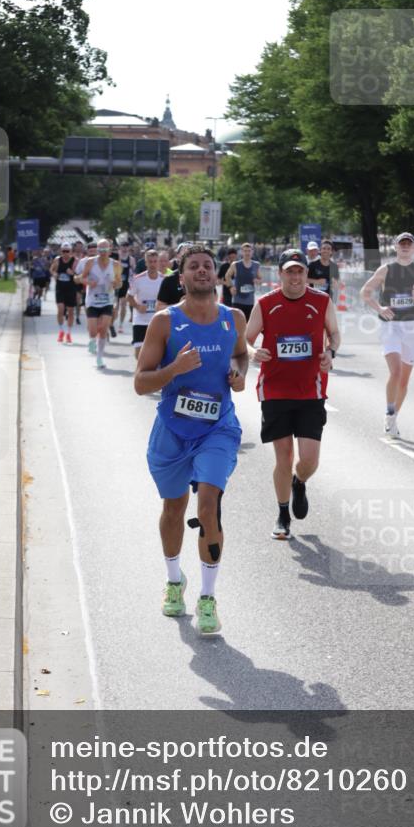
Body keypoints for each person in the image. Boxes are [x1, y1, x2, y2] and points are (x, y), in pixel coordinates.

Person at [134, 244, 248, 635]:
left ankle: (208, 597)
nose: (201, 271)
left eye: (207, 266)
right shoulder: (165, 323)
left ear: (216, 275)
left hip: (217, 427)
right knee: (173, 509)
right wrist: (175, 368)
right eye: (193, 266)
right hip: (173, 429)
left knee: (209, 504)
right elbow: (140, 382)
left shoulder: (234, 318)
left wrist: (239, 373)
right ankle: (173, 580)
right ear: (180, 277)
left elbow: (240, 356)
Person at [246, 248, 340, 539]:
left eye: (299, 271)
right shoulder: (266, 303)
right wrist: (253, 352)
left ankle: (300, 482)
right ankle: (283, 513)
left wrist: (330, 351)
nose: (295, 276)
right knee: (284, 457)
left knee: (309, 459)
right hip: (275, 390)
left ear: (306, 274)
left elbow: (334, 334)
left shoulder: (322, 301)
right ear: (281, 274)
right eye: (289, 271)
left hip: (311, 390)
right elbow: (245, 339)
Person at [360, 232, 414, 438]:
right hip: (390, 326)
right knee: (395, 372)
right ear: (396, 247)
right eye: (401, 244)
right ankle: (389, 409)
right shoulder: (386, 269)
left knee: (403, 380)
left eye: (408, 244)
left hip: (412, 327)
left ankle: (392, 418)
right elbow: (365, 292)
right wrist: (379, 308)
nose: (405, 247)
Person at [79, 238, 121, 368]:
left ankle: (99, 358)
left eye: (105, 249)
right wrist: (88, 282)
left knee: (103, 329)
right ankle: (92, 340)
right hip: (92, 300)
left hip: (107, 300)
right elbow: (82, 277)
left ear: (110, 250)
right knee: (92, 330)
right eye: (100, 249)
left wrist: (116, 283)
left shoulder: (116, 265)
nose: (103, 252)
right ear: (97, 250)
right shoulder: (91, 263)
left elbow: (120, 282)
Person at [128, 248, 164, 360]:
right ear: (145, 262)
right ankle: (140, 374)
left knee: (158, 353)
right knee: (138, 354)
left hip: (157, 321)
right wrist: (138, 306)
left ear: (158, 262)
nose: (153, 264)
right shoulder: (138, 279)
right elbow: (129, 297)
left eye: (155, 261)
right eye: (150, 262)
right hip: (140, 320)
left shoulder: (164, 280)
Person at [225, 242, 262, 320]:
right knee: (237, 325)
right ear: (241, 252)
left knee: (248, 326)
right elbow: (227, 276)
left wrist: (257, 281)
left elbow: (260, 279)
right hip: (237, 300)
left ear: (252, 252)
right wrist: (231, 287)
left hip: (250, 301)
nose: (247, 253)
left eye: (249, 251)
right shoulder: (235, 264)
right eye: (245, 251)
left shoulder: (256, 265)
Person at [50, 242, 77, 342]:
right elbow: (51, 269)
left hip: (71, 289)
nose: (65, 253)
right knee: (60, 310)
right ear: (61, 251)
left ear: (71, 251)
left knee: (70, 311)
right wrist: (54, 274)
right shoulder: (57, 260)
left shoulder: (75, 261)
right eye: (63, 251)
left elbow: (80, 274)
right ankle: (61, 331)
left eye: (67, 251)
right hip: (60, 288)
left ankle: (69, 333)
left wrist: (73, 273)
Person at [156, 243, 193, 311]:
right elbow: (159, 307)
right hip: (175, 320)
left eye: (190, 256)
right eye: (183, 256)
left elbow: (213, 301)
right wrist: (178, 306)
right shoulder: (169, 279)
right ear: (177, 256)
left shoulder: (203, 277)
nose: (187, 260)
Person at [115, 243, 136, 332]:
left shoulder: (131, 259)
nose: (124, 249)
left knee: (123, 305)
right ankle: (111, 323)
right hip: (115, 284)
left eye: (126, 247)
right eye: (123, 247)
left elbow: (134, 271)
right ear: (120, 248)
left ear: (128, 248)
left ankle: (120, 324)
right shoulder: (116, 257)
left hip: (125, 284)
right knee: (115, 307)